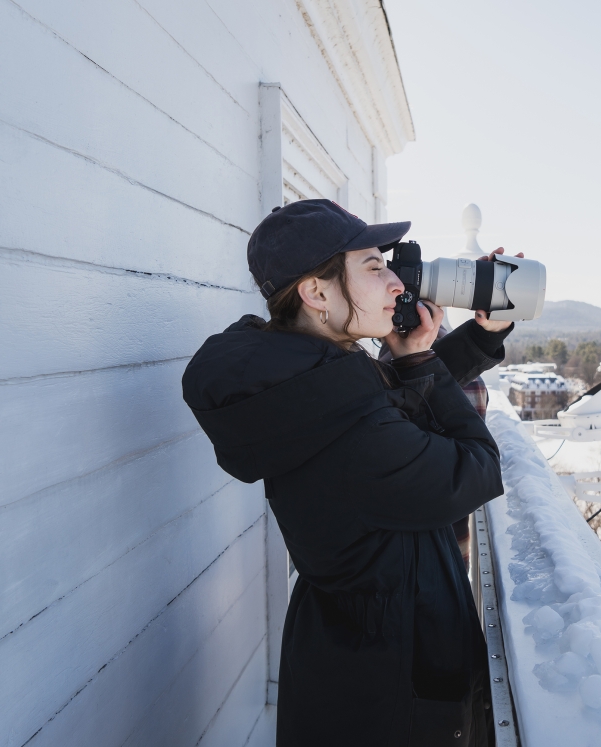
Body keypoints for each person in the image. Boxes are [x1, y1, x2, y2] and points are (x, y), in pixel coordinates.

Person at [181, 200, 516, 746]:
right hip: (390, 695)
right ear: (317, 293)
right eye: (373, 267)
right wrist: (420, 363)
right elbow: (476, 468)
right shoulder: (344, 423)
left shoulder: (308, 380)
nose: (395, 285)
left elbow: (389, 403)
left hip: (355, 660)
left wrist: (478, 336)